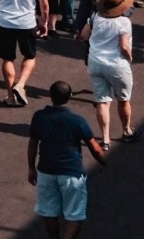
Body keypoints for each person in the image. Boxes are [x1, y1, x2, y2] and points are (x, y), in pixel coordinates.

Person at [29, 81, 107, 239]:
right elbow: (95, 148)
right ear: (70, 97)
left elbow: (32, 144)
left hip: (45, 171)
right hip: (71, 173)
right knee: (74, 215)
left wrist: (31, 168)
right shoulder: (77, 120)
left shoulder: (39, 117)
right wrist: (104, 162)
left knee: (49, 212)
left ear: (51, 96)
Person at [78, 0, 135, 148]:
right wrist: (130, 57)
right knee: (123, 100)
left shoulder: (95, 17)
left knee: (102, 102)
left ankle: (105, 139)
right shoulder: (124, 22)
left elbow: (83, 35)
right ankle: (126, 131)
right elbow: (124, 46)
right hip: (117, 65)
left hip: (95, 62)